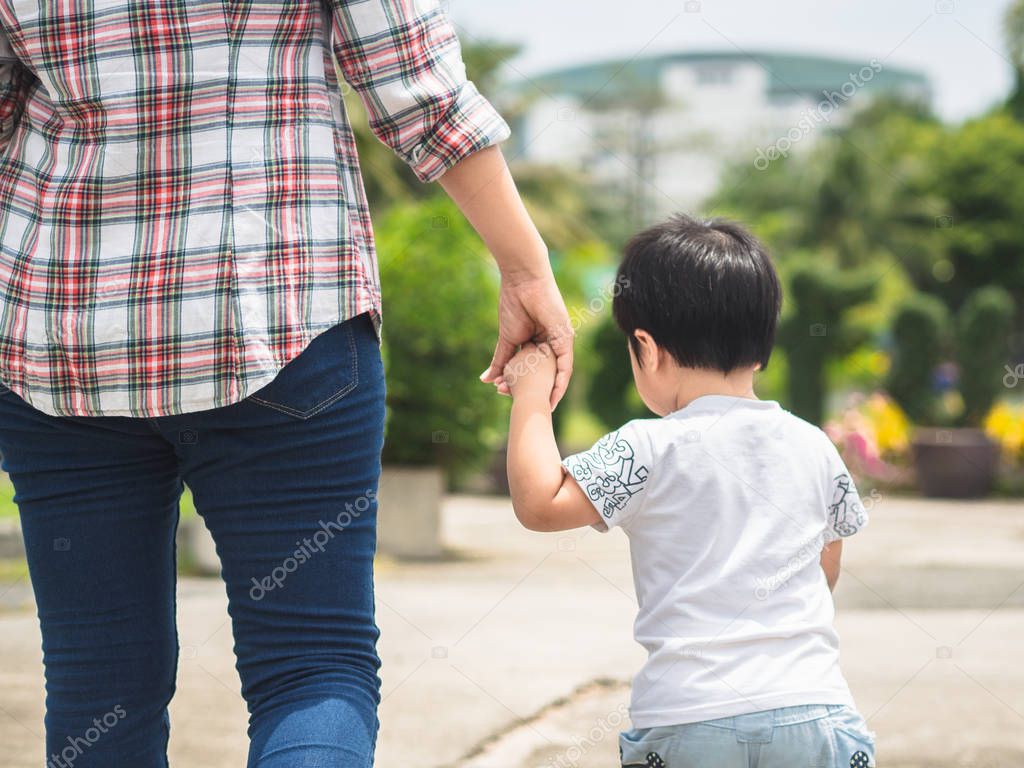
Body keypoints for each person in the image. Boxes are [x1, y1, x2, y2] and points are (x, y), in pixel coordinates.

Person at [0, 1, 569, 766]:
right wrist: (526, 268)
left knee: (98, 689)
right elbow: (417, 87)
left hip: (63, 336)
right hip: (284, 314)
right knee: (311, 668)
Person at [499, 214, 876, 767]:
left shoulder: (649, 447)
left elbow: (540, 503)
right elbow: (826, 568)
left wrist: (531, 392)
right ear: (762, 342)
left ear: (646, 348)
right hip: (815, 711)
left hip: (691, 718)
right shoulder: (814, 445)